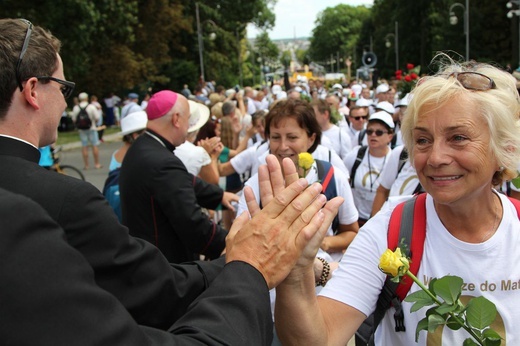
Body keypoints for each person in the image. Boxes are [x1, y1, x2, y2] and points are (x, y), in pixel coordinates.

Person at [0, 18, 343, 344]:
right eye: (63, 87)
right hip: (162, 274)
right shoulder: (64, 197)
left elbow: (190, 188)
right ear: (32, 90)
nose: (65, 99)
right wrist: (248, 261)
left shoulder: (141, 152)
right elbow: (167, 265)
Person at [275, 61, 520, 345]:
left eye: (458, 138)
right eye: (423, 140)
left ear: (505, 148)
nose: (435, 157)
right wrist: (296, 272)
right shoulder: (389, 230)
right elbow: (319, 339)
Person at [119, 90, 237, 263]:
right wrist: (233, 242)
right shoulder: (163, 162)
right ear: (176, 119)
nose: (189, 126)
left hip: (144, 253)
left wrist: (219, 196)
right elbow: (193, 225)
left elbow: (184, 180)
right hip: (165, 263)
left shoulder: (142, 146)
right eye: (188, 119)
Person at [237, 98, 359, 261]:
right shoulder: (254, 185)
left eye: (292, 137)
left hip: (324, 282)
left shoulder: (334, 178)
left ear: (311, 139)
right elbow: (242, 242)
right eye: (275, 137)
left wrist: (322, 242)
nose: (282, 146)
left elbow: (351, 231)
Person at [343, 111, 394, 225]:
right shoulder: (356, 154)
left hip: (381, 222)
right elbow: (343, 177)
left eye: (379, 132)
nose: (373, 135)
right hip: (355, 220)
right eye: (369, 131)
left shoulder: (394, 159)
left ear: (390, 136)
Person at [72, 91, 102, 169]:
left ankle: (86, 165)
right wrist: (93, 123)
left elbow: (74, 119)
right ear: (86, 98)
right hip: (92, 128)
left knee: (84, 146)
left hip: (81, 130)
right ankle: (97, 164)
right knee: (94, 145)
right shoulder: (91, 106)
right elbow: (97, 118)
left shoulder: (76, 107)